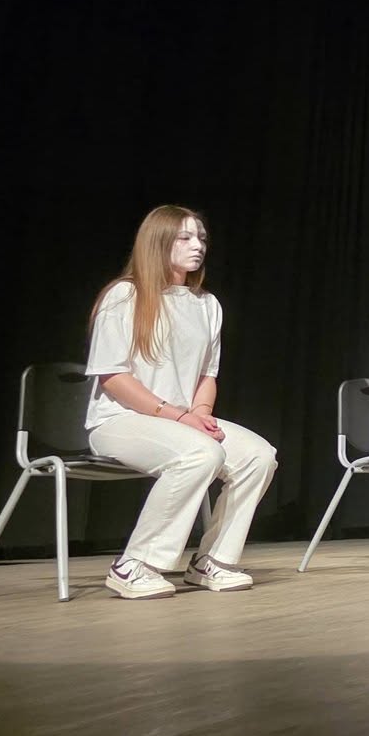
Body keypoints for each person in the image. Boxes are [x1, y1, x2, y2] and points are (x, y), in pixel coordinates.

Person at [83, 206, 278, 598]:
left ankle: (213, 561)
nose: (198, 246)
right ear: (158, 243)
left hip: (181, 421)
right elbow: (113, 377)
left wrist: (200, 413)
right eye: (185, 237)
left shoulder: (207, 304)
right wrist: (177, 416)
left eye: (201, 237)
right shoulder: (125, 295)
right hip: (120, 421)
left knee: (259, 456)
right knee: (200, 454)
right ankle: (134, 564)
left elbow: (207, 374)